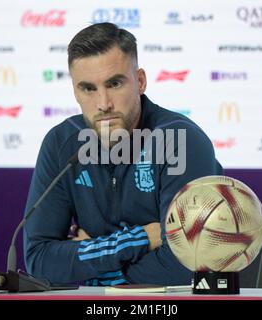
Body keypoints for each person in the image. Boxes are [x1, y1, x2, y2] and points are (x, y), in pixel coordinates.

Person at [23, 22, 223, 286]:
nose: (104, 104)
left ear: (140, 81)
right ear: (75, 91)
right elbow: (39, 260)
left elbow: (186, 264)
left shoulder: (180, 141)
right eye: (88, 89)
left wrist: (92, 269)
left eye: (114, 83)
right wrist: (140, 239)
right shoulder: (62, 143)